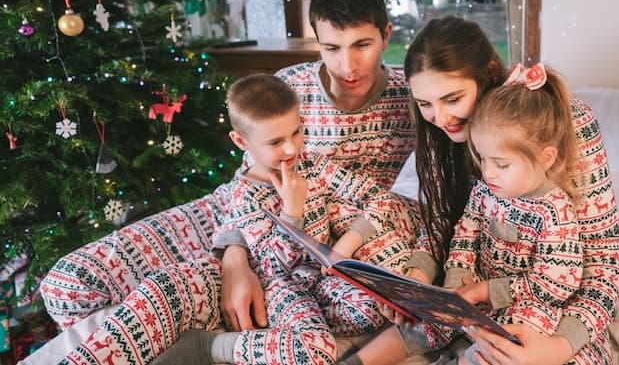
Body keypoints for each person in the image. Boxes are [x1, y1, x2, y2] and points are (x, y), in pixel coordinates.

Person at [40, 0, 418, 332]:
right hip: (240, 213)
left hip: (316, 239)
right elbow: (245, 180)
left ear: (386, 36)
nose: (347, 65)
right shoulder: (288, 87)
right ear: (317, 40)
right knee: (68, 283)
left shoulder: (414, 100)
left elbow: (410, 199)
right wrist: (233, 257)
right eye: (331, 48)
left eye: (362, 46)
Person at [58, 74, 411, 365]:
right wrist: (292, 211)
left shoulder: (315, 164)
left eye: (296, 133)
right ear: (241, 141)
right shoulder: (245, 196)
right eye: (275, 141)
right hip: (281, 291)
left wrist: (349, 241)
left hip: (327, 279)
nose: (291, 149)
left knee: (380, 306)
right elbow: (275, 267)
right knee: (316, 354)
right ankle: (209, 346)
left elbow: (379, 199)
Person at [353, 16, 619, 365]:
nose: (440, 117)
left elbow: (605, 263)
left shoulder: (562, 122)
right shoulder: (440, 129)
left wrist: (559, 347)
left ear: (488, 74)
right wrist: (416, 284)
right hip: (475, 290)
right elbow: (442, 224)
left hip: (552, 308)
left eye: (453, 98)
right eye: (425, 104)